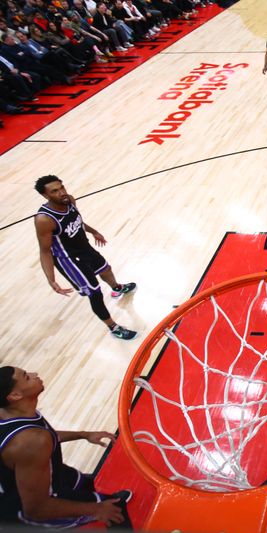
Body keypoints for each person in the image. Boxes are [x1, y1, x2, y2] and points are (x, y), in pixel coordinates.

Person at [0, 366, 133, 528]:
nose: (34, 374)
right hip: (31, 505)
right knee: (114, 509)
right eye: (26, 377)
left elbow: (46, 437)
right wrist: (96, 509)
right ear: (15, 395)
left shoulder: (10, 413)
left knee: (86, 484)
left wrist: (84, 434)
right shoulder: (32, 442)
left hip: (48, 475)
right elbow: (36, 509)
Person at [34, 175, 137, 340]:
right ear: (45, 196)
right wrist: (51, 279)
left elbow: (78, 222)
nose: (61, 193)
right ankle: (113, 327)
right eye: (55, 191)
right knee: (95, 294)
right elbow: (45, 251)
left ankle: (117, 288)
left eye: (62, 187)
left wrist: (93, 231)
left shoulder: (70, 201)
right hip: (70, 261)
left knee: (106, 269)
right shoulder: (44, 219)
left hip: (85, 249)